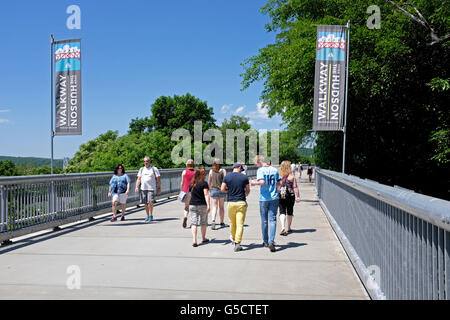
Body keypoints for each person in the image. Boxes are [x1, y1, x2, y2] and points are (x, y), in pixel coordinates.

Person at [250, 155, 281, 252]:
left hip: (264, 198)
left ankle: (265, 241)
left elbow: (262, 182)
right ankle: (272, 241)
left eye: (256, 164)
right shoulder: (274, 169)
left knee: (264, 220)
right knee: (273, 220)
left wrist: (254, 183)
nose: (256, 166)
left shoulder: (260, 170)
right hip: (274, 197)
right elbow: (279, 182)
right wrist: (276, 190)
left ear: (259, 162)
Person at [221, 163, 250, 252]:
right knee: (240, 224)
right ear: (239, 168)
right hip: (241, 202)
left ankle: (233, 238)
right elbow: (248, 191)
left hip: (231, 202)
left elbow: (222, 189)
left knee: (232, 223)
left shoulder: (227, 177)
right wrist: (243, 194)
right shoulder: (244, 177)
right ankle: (237, 243)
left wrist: (229, 191)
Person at [189, 168, 211, 247]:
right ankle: (203, 237)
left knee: (194, 223)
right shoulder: (204, 183)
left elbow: (190, 194)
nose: (206, 175)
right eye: (205, 174)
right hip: (202, 205)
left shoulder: (192, 183)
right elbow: (206, 194)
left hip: (192, 205)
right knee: (203, 222)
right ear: (202, 175)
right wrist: (208, 205)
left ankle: (194, 240)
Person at [135, 157, 161, 223]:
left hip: (151, 188)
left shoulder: (154, 169)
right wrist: (136, 186)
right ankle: (147, 215)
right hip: (143, 188)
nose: (146, 162)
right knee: (145, 203)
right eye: (144, 161)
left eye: (147, 161)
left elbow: (158, 179)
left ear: (150, 162)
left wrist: (159, 188)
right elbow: (139, 179)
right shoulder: (141, 169)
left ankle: (151, 215)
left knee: (150, 202)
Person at [278, 161, 301, 235]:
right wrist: (298, 196)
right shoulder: (292, 176)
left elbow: (277, 187)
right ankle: (289, 227)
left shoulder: (279, 176)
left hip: (281, 195)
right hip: (290, 195)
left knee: (282, 211)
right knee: (290, 211)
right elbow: (295, 187)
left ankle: (282, 227)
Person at [208, 158, 227, 230]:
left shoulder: (211, 171)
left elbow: (209, 182)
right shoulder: (223, 171)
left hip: (213, 190)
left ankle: (213, 221)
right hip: (221, 190)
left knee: (214, 206)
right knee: (221, 207)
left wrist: (209, 189)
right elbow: (226, 181)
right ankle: (222, 222)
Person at [180, 159, 195, 229]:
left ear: (187, 165)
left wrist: (181, 190)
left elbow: (182, 183)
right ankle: (193, 222)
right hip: (193, 191)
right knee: (193, 206)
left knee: (186, 206)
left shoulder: (184, 172)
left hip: (185, 190)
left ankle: (185, 216)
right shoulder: (195, 173)